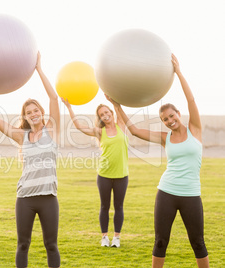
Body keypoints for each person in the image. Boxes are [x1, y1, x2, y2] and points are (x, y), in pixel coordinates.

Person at [108, 54, 209, 268]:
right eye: (165, 120)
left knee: (198, 242)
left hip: (191, 194)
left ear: (179, 114)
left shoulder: (195, 130)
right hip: (166, 192)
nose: (170, 121)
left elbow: (191, 100)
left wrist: (179, 73)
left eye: (172, 116)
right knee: (161, 241)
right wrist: (117, 105)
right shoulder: (166, 138)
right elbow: (134, 131)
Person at [0, 52, 60, 268]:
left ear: (41, 112)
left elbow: (53, 98)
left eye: (36, 110)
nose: (33, 113)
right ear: (25, 116)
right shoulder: (22, 137)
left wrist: (39, 69)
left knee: (51, 245)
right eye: (28, 112)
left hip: (48, 198)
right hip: (25, 198)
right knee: (23, 245)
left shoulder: (52, 130)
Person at [62, 95, 129, 248]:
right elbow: (79, 126)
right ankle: (104, 237)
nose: (106, 116)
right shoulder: (100, 131)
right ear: (100, 118)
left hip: (122, 175)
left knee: (118, 207)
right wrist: (69, 108)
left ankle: (116, 238)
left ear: (112, 113)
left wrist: (113, 101)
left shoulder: (122, 126)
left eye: (107, 112)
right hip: (104, 175)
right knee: (104, 206)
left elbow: (120, 109)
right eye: (102, 115)